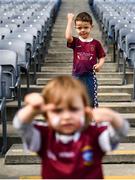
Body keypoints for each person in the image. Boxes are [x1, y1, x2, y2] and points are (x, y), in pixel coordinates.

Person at [13, 75, 129, 179]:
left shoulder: (94, 134)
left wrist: (113, 117)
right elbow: (21, 125)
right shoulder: (44, 135)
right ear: (46, 113)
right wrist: (32, 109)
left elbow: (120, 132)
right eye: (58, 111)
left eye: (73, 109)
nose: (67, 116)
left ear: (85, 110)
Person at [65, 12, 106, 107]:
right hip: (76, 75)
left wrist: (100, 65)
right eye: (79, 28)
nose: (83, 30)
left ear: (91, 26)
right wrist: (70, 20)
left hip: (90, 76)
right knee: (76, 100)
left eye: (86, 27)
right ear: (75, 28)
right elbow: (67, 37)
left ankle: (91, 119)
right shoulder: (76, 41)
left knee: (91, 100)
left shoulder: (96, 43)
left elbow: (102, 56)